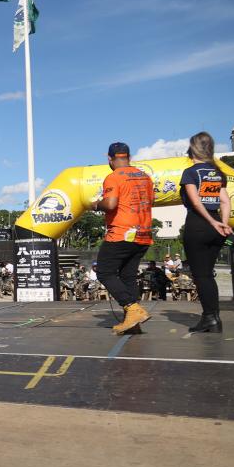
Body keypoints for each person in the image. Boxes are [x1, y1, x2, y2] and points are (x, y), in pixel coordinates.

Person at [90, 142, 154, 334]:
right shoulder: (145, 177)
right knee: (128, 276)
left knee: (104, 271)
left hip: (122, 232)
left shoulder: (113, 177)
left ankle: (132, 308)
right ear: (128, 157)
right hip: (143, 232)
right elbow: (152, 201)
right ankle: (133, 323)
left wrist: (95, 205)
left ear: (110, 159)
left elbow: (110, 204)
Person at [180, 132, 234, 333]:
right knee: (208, 275)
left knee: (201, 276)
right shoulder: (216, 173)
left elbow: (195, 201)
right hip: (216, 227)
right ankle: (210, 317)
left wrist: (211, 221)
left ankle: (211, 318)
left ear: (191, 149)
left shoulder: (190, 173)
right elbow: (225, 201)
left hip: (198, 225)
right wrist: (222, 223)